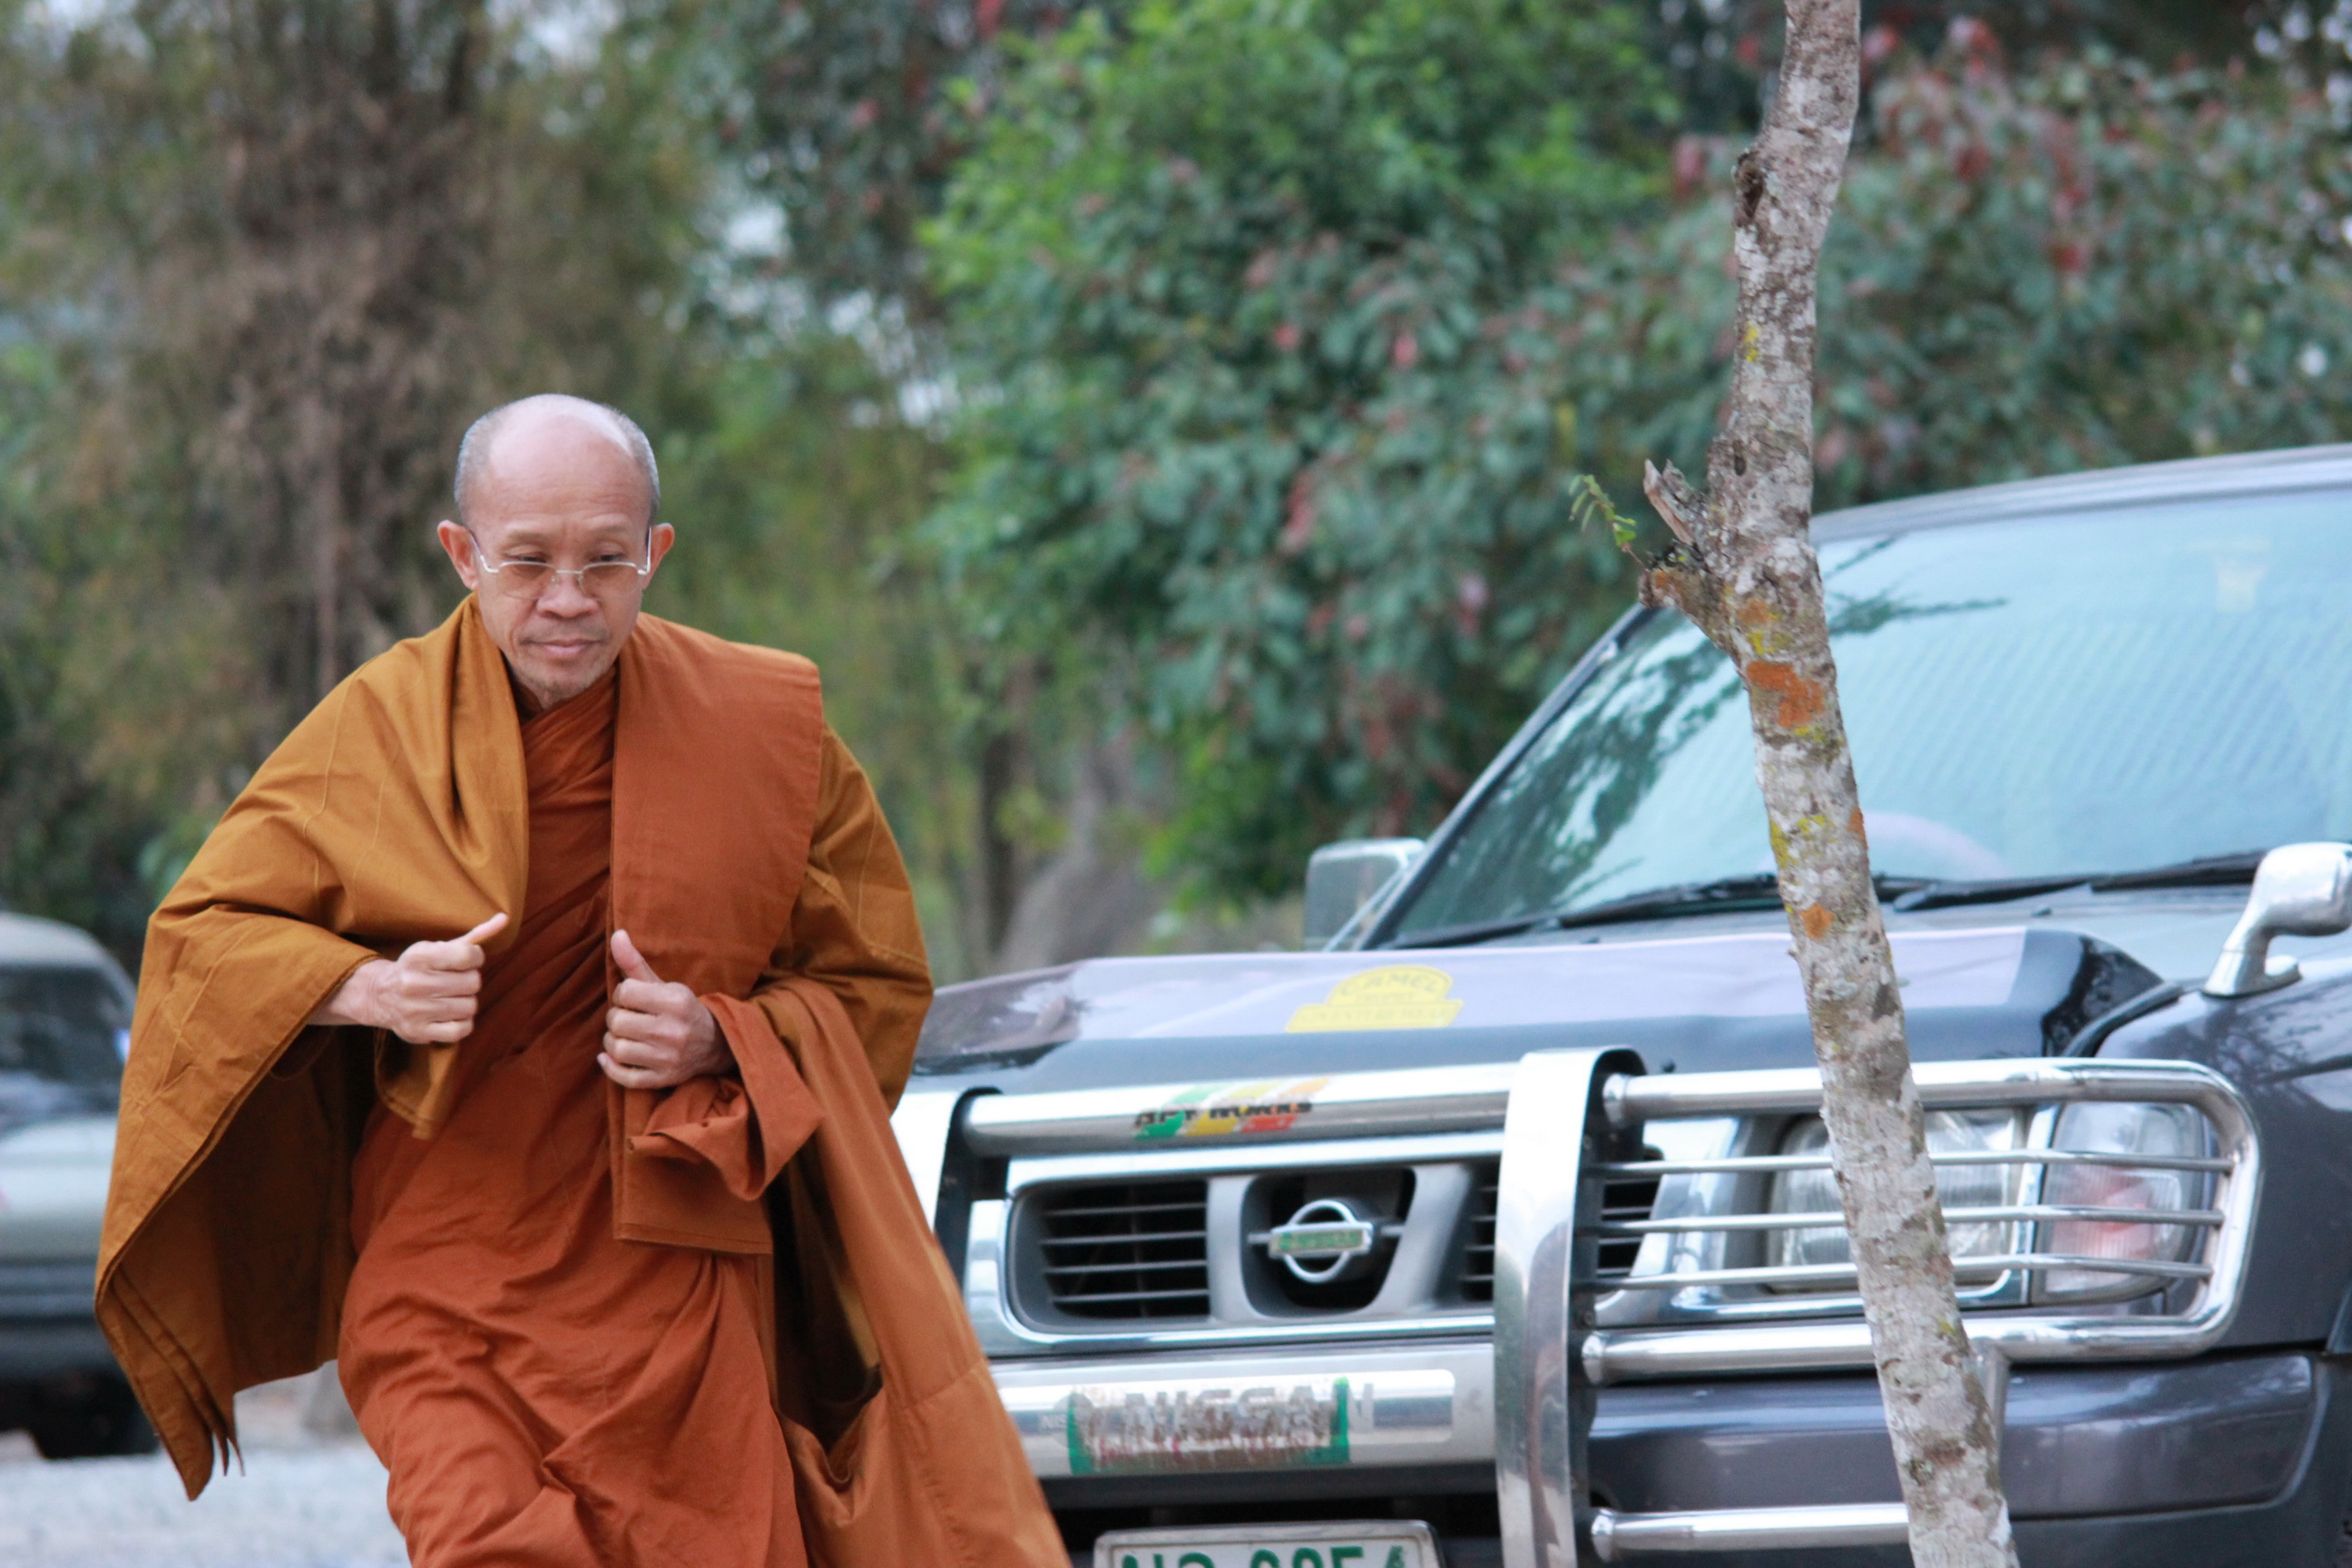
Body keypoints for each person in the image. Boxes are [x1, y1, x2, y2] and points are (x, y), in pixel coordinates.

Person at [97, 395, 1061, 1567]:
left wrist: (721, 1038)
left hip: (678, 1273)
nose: (567, 598)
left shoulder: (760, 729)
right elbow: (203, 935)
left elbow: (875, 982)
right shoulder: (380, 730)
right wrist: (369, 989)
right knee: (480, 1536)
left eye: (606, 560)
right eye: (530, 562)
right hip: (444, 1264)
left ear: (654, 556)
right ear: (463, 557)